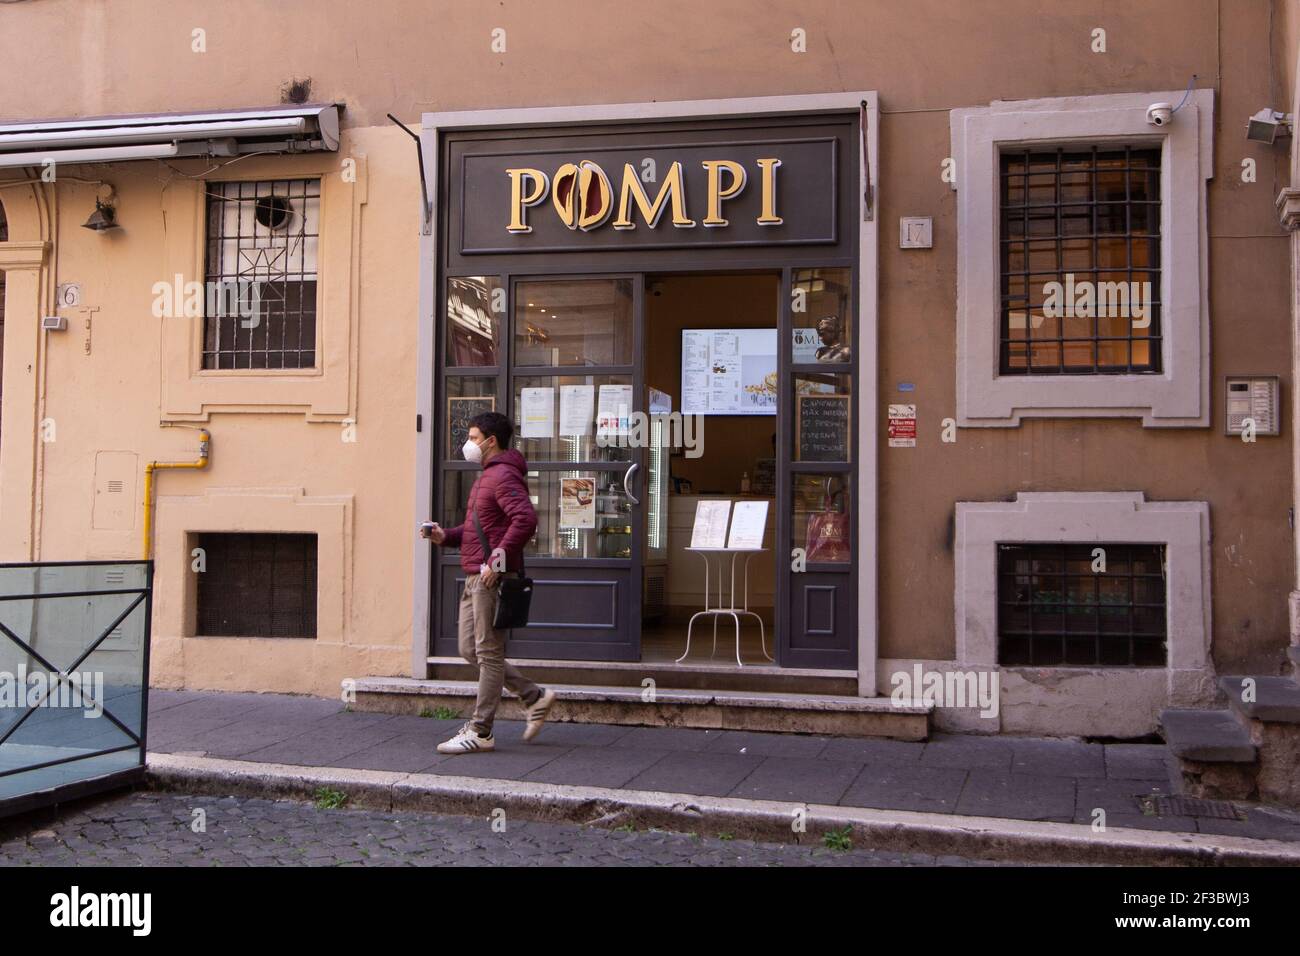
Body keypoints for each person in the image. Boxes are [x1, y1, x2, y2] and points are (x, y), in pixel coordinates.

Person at [420, 411, 555, 753]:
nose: (469, 444)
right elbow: (480, 528)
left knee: (489, 653)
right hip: (474, 575)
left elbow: (525, 519)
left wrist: (498, 560)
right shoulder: (489, 476)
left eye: (474, 437)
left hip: (489, 577)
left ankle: (481, 730)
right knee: (469, 649)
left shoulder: (503, 476)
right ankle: (533, 696)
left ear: (491, 441)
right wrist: (444, 536)